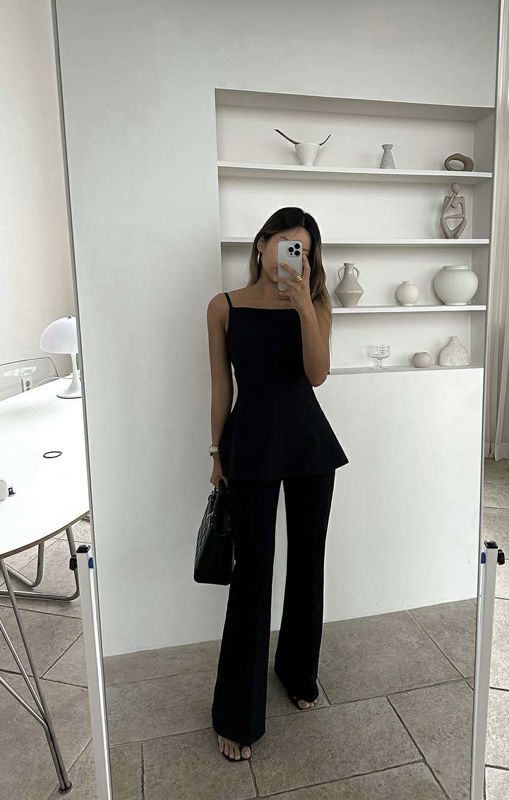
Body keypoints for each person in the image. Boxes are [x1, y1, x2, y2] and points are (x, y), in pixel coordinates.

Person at [206, 206, 349, 762]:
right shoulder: (224, 306)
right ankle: (236, 715)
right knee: (252, 574)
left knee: (308, 563)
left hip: (309, 445)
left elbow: (317, 374)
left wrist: (304, 306)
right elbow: (221, 386)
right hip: (250, 446)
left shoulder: (316, 304)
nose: (294, 255)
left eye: (304, 250)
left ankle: (297, 671)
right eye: (287, 244)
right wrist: (216, 451)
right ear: (262, 244)